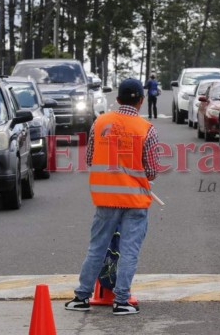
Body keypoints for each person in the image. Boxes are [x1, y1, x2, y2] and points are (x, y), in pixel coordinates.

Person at [65, 78, 160, 316]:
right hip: (136, 201)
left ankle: (81, 297)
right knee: (129, 251)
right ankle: (121, 302)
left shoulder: (100, 123)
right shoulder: (146, 129)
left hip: (105, 200)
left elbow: (89, 159)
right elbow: (152, 171)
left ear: (117, 99)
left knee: (97, 248)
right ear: (141, 100)